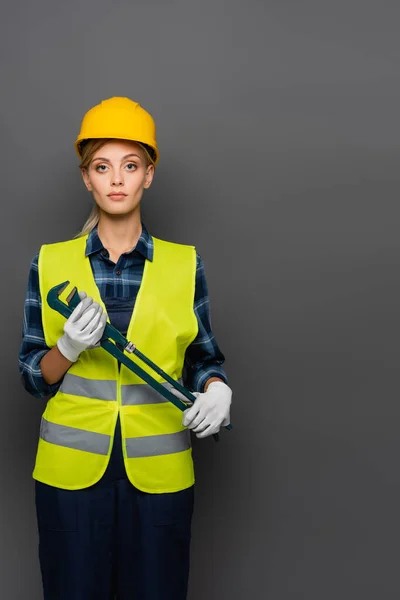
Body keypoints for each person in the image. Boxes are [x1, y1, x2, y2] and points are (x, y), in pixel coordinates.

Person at [18, 96, 232, 600]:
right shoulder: (49, 263)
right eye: (102, 166)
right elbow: (32, 373)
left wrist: (219, 389)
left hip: (160, 480)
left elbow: (203, 359)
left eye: (130, 166)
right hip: (68, 480)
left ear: (149, 175)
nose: (117, 179)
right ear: (86, 178)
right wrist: (68, 348)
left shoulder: (185, 265)